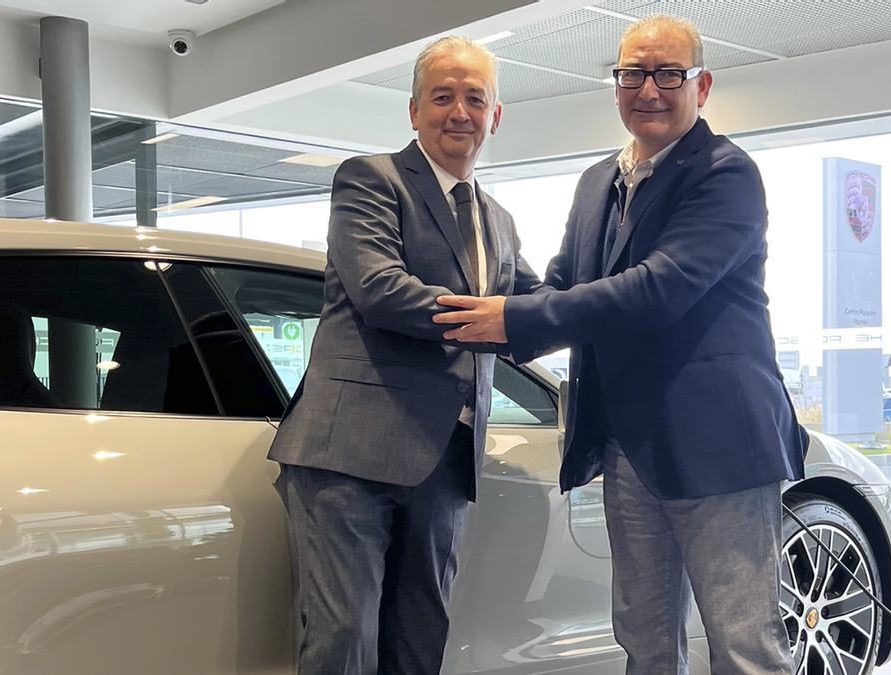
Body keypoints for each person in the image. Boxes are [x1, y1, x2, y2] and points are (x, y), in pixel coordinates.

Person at [434, 15, 807, 674]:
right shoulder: (596, 181)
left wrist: (514, 319)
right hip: (629, 448)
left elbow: (656, 291)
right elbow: (561, 284)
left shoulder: (725, 175)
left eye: (669, 73)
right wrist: (473, 291)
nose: (649, 89)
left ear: (703, 85)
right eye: (633, 73)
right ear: (616, 84)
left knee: (742, 644)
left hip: (720, 448)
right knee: (643, 636)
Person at [267, 36, 540, 675]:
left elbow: (534, 308)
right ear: (413, 111)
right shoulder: (370, 179)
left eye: (475, 98)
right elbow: (380, 290)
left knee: (420, 642)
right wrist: (492, 321)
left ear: (495, 116)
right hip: (349, 457)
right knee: (343, 642)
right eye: (442, 97)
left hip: (447, 460)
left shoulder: (497, 220)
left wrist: (603, 305)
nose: (459, 112)